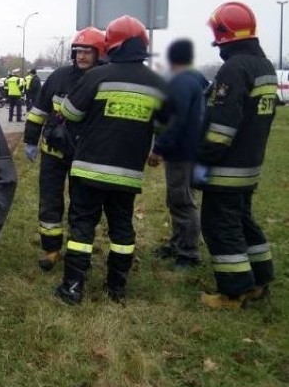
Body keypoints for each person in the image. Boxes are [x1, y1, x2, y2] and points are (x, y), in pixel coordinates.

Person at [55, 16, 168, 304]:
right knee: (121, 230)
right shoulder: (157, 84)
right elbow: (165, 127)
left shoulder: (96, 76)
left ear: (111, 45)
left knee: (82, 227)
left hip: (89, 169)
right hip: (127, 174)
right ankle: (116, 287)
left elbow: (69, 113)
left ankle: (72, 287)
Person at [194, 2, 277, 309]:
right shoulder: (264, 67)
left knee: (220, 226)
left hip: (226, 168)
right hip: (249, 165)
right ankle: (259, 278)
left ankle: (233, 292)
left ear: (222, 32)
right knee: (243, 220)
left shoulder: (234, 69)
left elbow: (221, 127)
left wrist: (203, 158)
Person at [24, 27, 105, 271]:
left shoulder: (105, 79)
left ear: (99, 53)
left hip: (85, 155)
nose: (81, 56)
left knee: (82, 205)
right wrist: (30, 140)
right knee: (50, 201)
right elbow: (38, 111)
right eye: (78, 52)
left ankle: (79, 250)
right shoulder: (59, 77)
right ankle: (51, 250)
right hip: (54, 152)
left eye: (87, 52)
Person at [148, 39, 209, 268]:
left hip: (183, 152)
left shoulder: (181, 83)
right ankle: (177, 243)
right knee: (177, 198)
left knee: (183, 201)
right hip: (190, 150)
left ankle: (188, 253)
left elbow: (175, 120)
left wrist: (158, 147)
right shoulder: (196, 79)